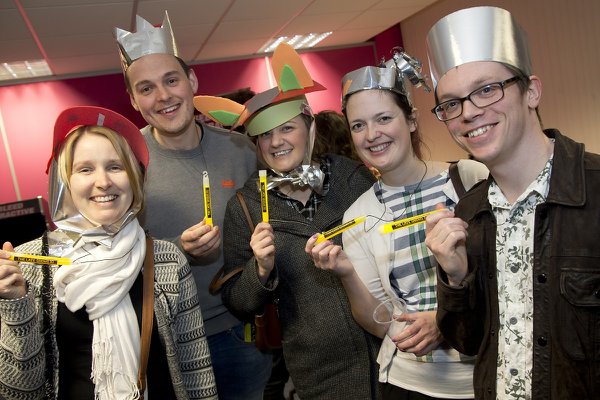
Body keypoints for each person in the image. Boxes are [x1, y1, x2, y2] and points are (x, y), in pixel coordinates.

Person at [423, 6, 600, 400]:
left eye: (487, 89)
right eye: (451, 104)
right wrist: (455, 276)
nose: (469, 112)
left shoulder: (595, 193)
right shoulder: (468, 213)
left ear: (531, 90)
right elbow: (467, 342)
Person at [194, 43, 381, 400]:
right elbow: (239, 302)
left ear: (310, 128)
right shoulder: (246, 206)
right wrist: (260, 269)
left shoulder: (352, 177)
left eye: (286, 129)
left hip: (388, 350)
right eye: (265, 135)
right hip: (318, 372)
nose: (276, 141)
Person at [305, 48, 488, 400]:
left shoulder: (470, 178)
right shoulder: (359, 215)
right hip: (410, 384)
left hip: (483, 374)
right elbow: (379, 322)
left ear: (412, 120)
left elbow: (505, 279)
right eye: (358, 125)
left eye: (384, 118)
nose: (371, 134)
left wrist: (442, 318)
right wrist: (346, 272)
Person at [0, 106, 217, 399]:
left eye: (115, 166)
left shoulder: (167, 260)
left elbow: (196, 372)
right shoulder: (31, 267)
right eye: (85, 169)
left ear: (134, 178)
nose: (103, 182)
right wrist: (16, 305)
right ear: (65, 182)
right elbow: (18, 390)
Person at [115, 12, 272, 399]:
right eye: (146, 88)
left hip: (241, 333)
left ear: (192, 82)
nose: (164, 96)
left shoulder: (240, 148)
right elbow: (110, 251)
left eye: (171, 80)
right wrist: (174, 250)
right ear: (134, 100)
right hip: (165, 339)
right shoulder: (124, 163)